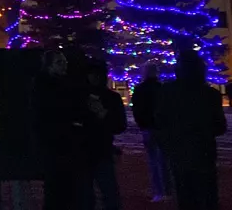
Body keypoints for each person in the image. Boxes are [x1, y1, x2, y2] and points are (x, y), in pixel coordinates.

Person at [156, 51, 226, 210]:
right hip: (203, 150)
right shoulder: (210, 94)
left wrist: (167, 143)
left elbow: (160, 121)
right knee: (207, 195)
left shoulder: (168, 92)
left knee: (185, 194)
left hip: (178, 150)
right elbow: (220, 126)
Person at [33, 50, 85, 210]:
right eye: (59, 63)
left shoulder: (64, 84)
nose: (64, 66)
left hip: (64, 142)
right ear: (49, 66)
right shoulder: (45, 87)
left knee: (67, 188)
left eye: (65, 62)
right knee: (56, 188)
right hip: (54, 142)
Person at [78, 59, 125, 210]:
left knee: (106, 193)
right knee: (90, 194)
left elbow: (119, 125)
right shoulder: (80, 97)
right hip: (88, 150)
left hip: (99, 149)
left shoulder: (110, 98)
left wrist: (103, 114)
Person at [132, 62, 171, 202]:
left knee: (153, 161)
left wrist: (142, 123)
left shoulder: (140, 89)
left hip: (148, 127)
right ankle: (167, 190)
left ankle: (158, 191)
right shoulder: (162, 89)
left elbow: (137, 109)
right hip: (162, 128)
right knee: (164, 160)